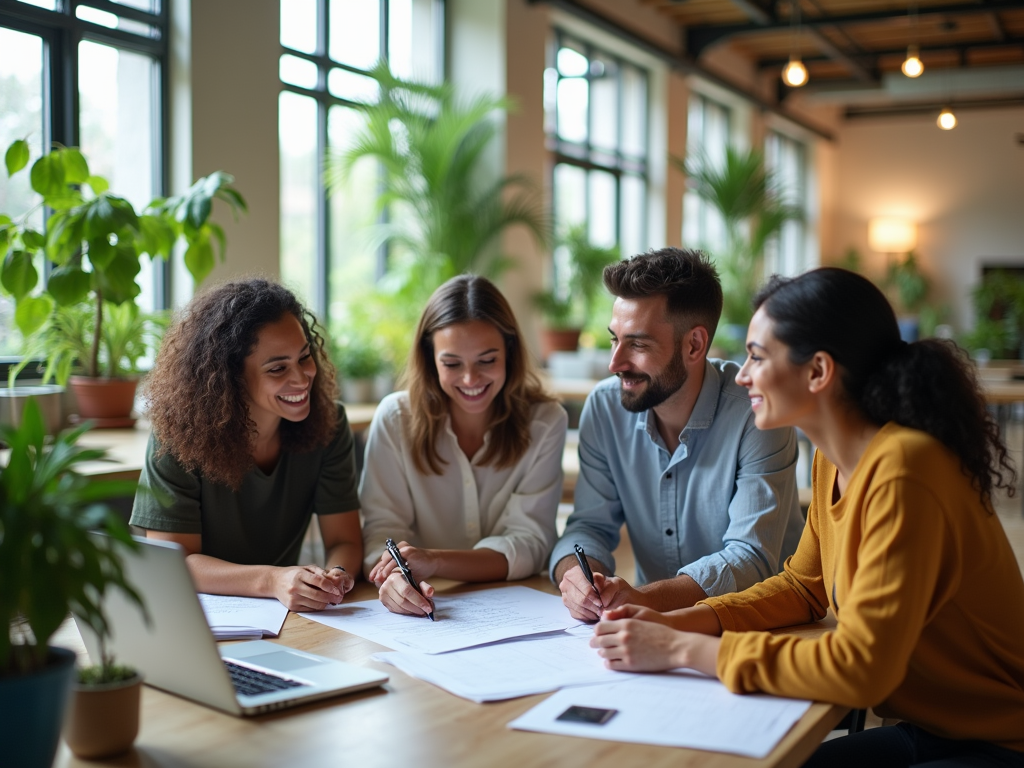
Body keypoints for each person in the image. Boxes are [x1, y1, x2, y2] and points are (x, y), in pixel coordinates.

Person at [592, 268, 1024, 767]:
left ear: (818, 371)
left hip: (1000, 741)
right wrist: (678, 620)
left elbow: (862, 670)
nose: (742, 375)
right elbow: (802, 587)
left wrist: (682, 650)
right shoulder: (832, 459)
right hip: (934, 730)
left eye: (757, 356)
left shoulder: (905, 468)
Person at [550, 248, 804, 620]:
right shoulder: (605, 408)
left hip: (764, 627)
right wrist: (576, 578)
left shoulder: (757, 412)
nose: (615, 363)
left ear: (694, 345)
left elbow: (750, 558)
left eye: (637, 344)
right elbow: (588, 525)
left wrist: (648, 598)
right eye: (613, 339)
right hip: (649, 629)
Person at [130, 278, 363, 612]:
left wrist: (336, 577)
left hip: (283, 616)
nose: (301, 378)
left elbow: (344, 540)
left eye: (304, 357)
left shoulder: (330, 424)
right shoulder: (176, 437)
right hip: (195, 616)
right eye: (278, 367)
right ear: (231, 376)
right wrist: (272, 581)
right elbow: (176, 561)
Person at [361, 274, 568, 617]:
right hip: (423, 611)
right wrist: (396, 575)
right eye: (452, 364)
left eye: (487, 360)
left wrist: (435, 560)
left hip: (518, 606)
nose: (471, 380)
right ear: (430, 359)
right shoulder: (395, 419)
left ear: (510, 352)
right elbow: (381, 534)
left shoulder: (545, 422)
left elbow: (531, 543)